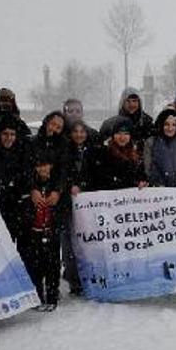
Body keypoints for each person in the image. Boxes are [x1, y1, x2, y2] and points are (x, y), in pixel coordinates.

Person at [62, 121, 104, 295]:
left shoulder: (93, 152)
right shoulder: (65, 152)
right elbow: (60, 174)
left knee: (88, 241)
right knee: (70, 242)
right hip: (67, 203)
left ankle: (90, 276)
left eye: (82, 131)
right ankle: (74, 279)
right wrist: (70, 185)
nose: (79, 135)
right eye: (75, 131)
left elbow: (97, 175)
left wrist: (85, 187)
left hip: (87, 204)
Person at [19, 151, 63, 312]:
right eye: (39, 166)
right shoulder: (29, 185)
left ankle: (52, 296)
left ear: (51, 166)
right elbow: (22, 206)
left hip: (51, 230)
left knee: (52, 266)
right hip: (33, 231)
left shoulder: (57, 186)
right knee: (34, 265)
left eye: (46, 165)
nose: (43, 169)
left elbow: (63, 207)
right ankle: (37, 295)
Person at [0, 115, 32, 243]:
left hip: (17, 208)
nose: (9, 138)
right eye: (5, 134)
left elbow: (26, 180)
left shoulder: (22, 154)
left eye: (12, 134)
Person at [95, 119, 149, 191]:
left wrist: (142, 182)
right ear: (113, 135)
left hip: (131, 198)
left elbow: (142, 176)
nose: (122, 137)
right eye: (118, 133)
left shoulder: (136, 156)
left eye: (126, 133)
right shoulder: (103, 153)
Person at [144, 109, 176, 187]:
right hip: (157, 190)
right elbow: (148, 169)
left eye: (173, 125)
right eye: (166, 124)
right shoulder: (151, 142)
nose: (170, 128)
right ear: (161, 125)